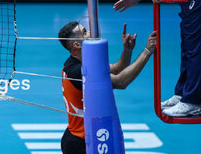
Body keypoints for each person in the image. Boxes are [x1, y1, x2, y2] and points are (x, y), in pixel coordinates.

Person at [58, 21, 156, 154]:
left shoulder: (79, 62)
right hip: (80, 143)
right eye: (85, 32)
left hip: (80, 137)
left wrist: (127, 50)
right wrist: (148, 51)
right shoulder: (78, 71)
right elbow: (121, 82)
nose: (91, 32)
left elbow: (116, 69)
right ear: (77, 45)